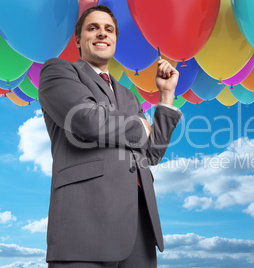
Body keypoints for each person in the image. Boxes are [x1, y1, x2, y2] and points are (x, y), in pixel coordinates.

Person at [38, 5, 182, 267]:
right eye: (93, 28)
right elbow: (86, 120)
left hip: (139, 227)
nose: (102, 34)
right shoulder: (57, 71)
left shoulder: (128, 96)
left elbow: (151, 152)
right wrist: (139, 125)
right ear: (78, 40)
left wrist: (166, 95)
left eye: (109, 29)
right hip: (84, 227)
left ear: (115, 40)